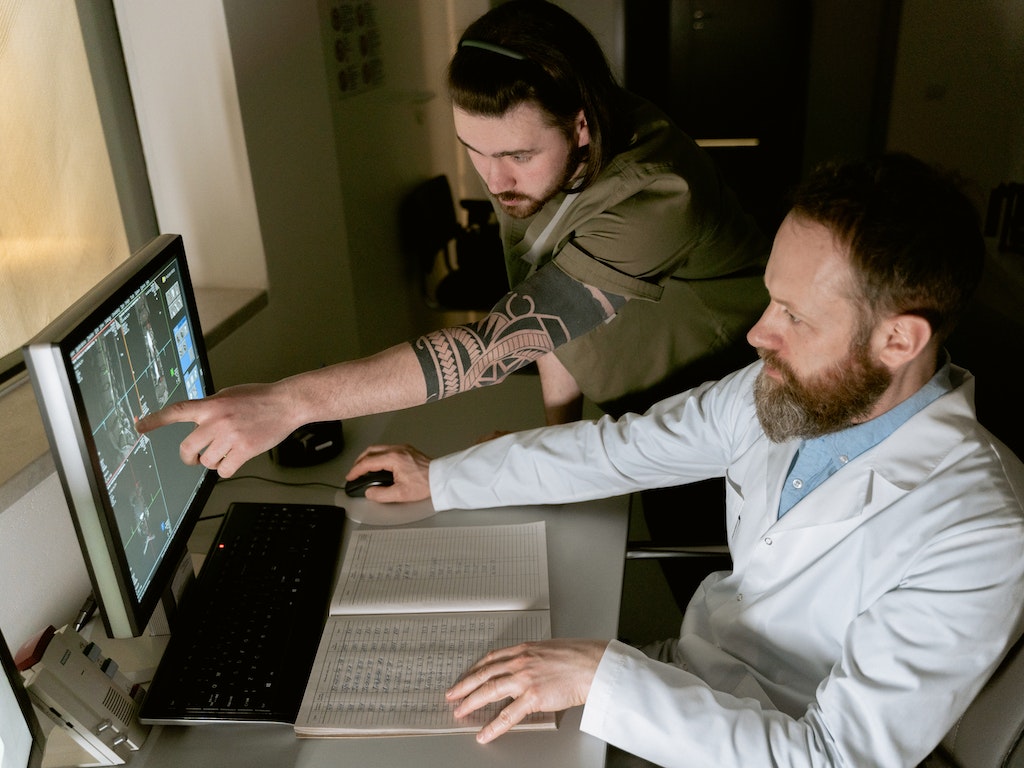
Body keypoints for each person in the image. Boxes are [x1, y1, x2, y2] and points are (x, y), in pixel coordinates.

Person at [344, 153, 1024, 767]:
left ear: (899, 341)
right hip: (685, 686)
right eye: (771, 298)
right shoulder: (793, 389)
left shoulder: (980, 530)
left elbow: (834, 759)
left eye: (794, 315)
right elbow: (621, 451)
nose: (758, 332)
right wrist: (443, 477)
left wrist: (599, 678)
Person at [135, 0, 767, 477]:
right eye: (475, 150)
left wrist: (290, 403)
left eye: (517, 155)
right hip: (647, 414)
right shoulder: (531, 163)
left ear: (580, 125)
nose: (494, 179)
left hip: (737, 416)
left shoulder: (657, 196)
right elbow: (547, 309)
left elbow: (500, 343)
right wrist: (552, 439)